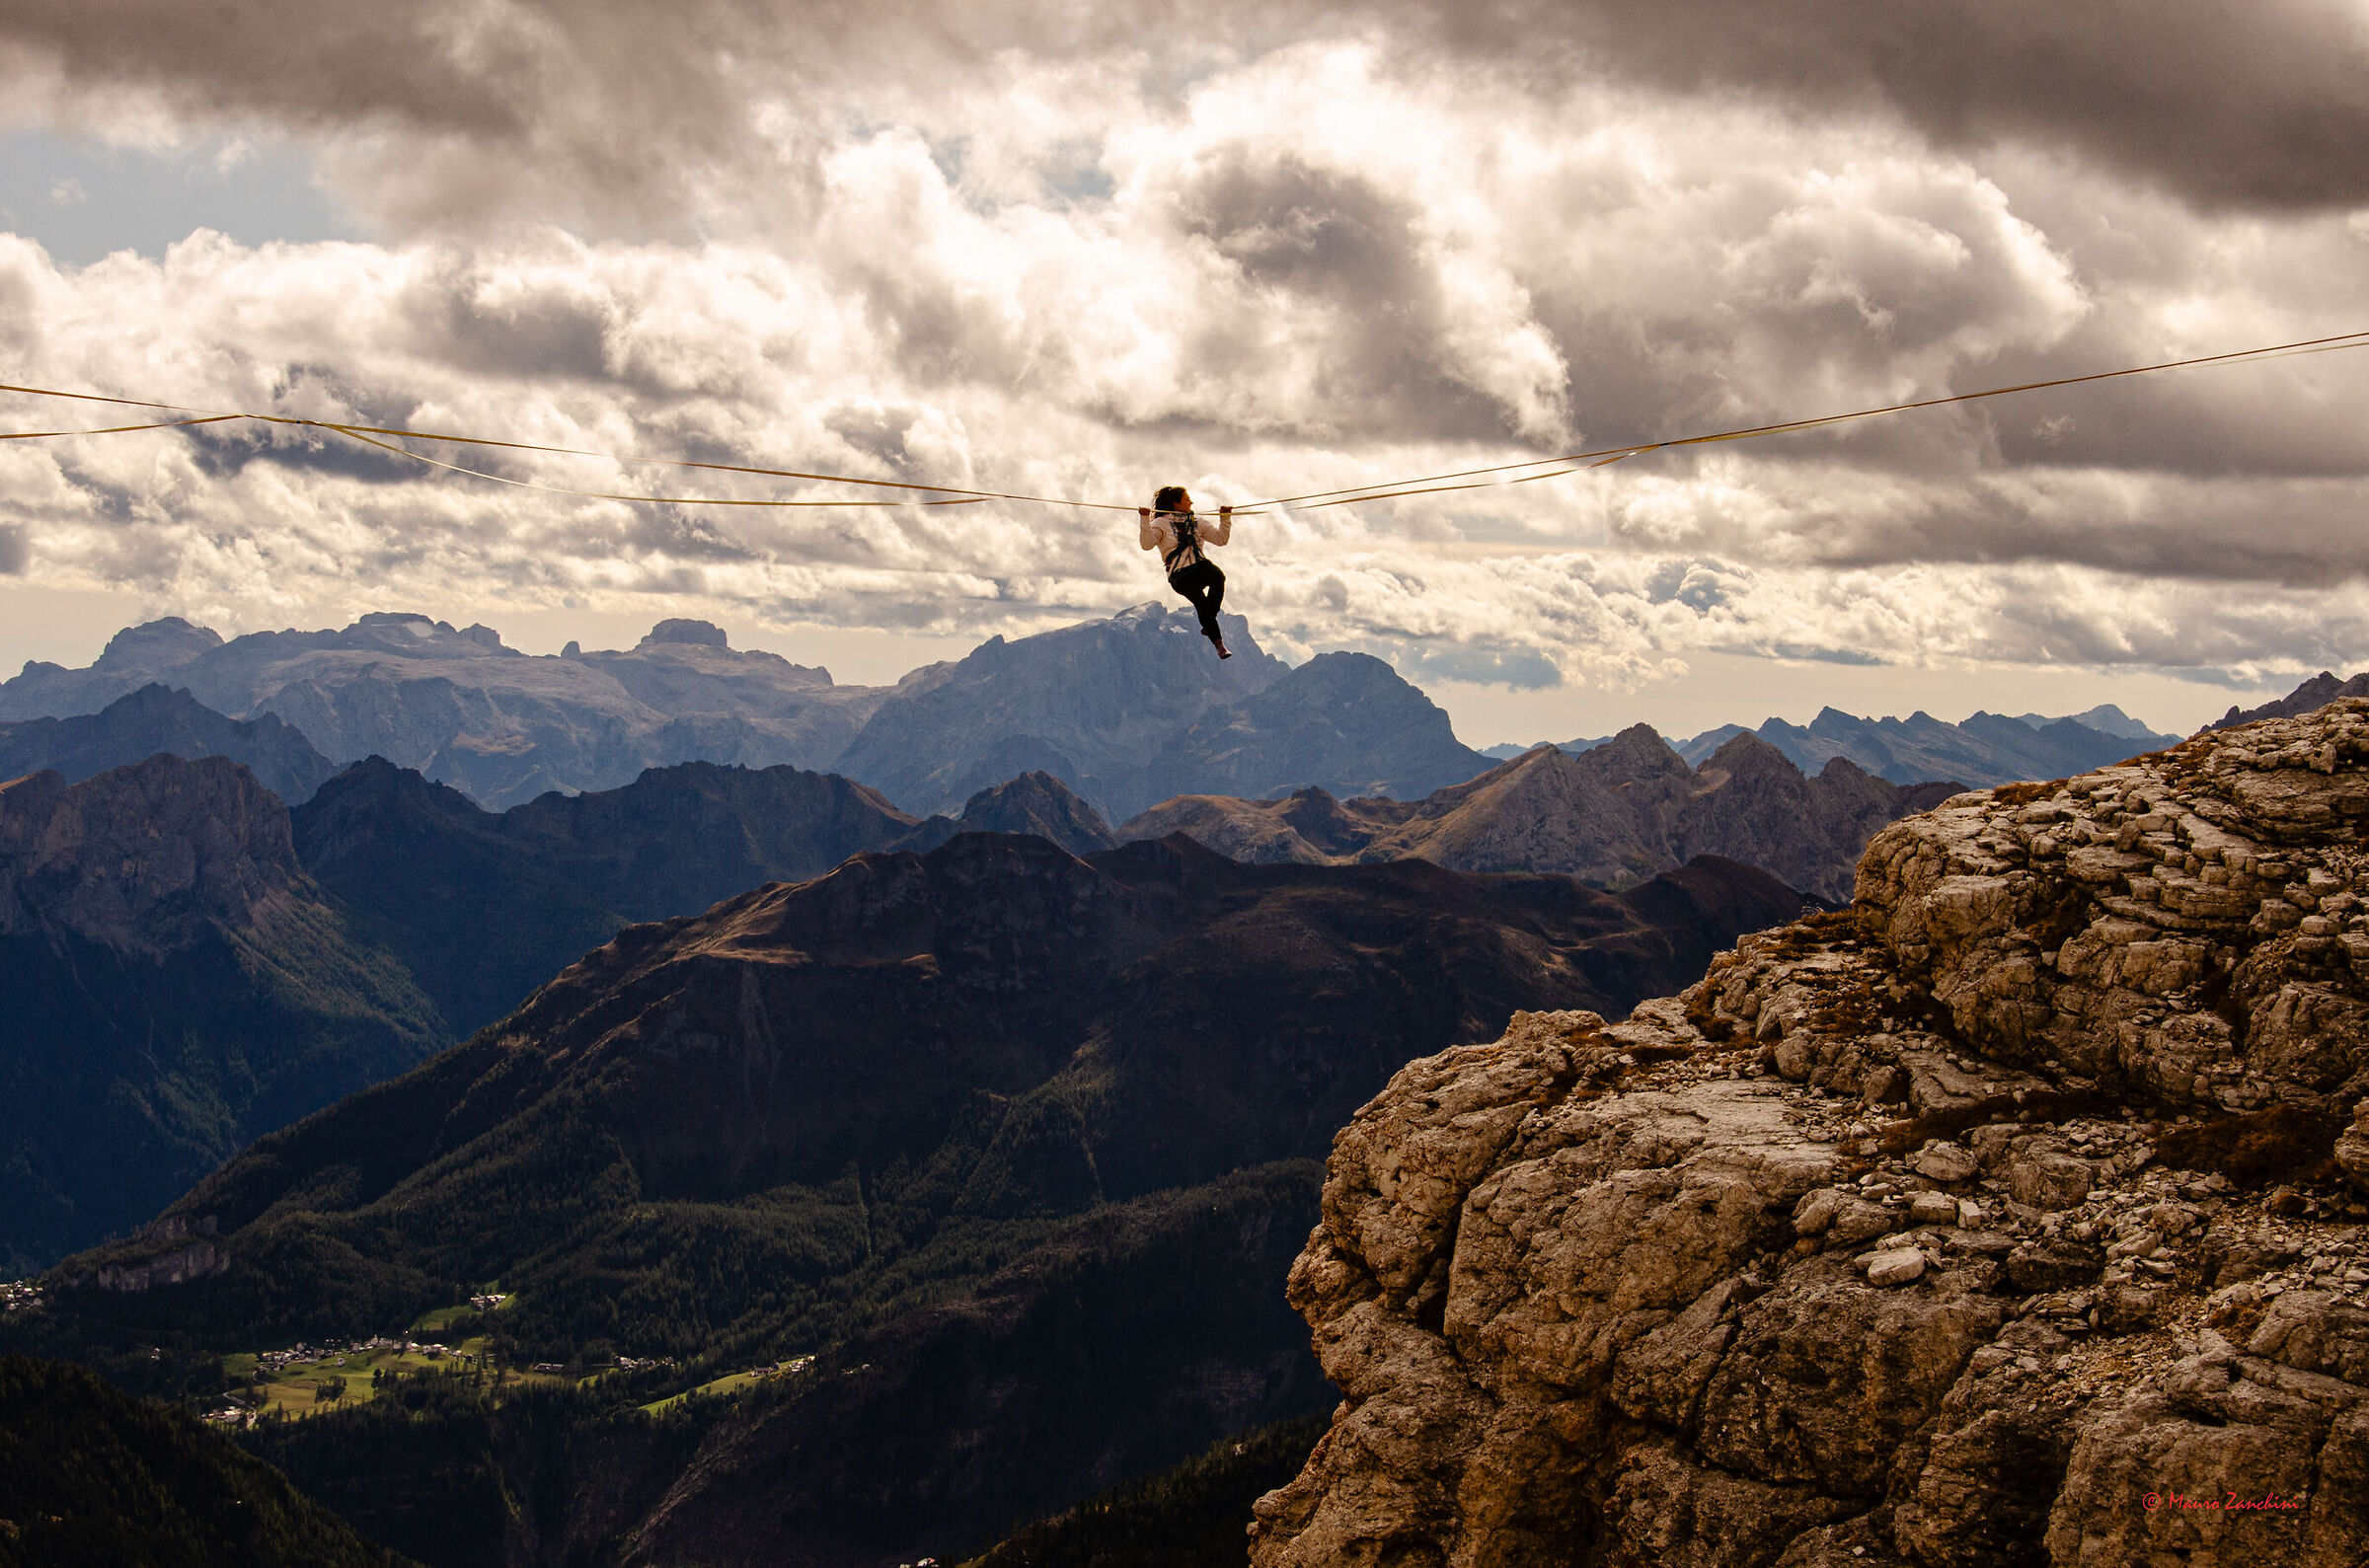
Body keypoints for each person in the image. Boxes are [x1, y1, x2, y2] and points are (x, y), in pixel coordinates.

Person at [1139, 485, 1233, 657]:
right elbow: (1146, 545)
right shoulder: (1160, 523)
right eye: (1187, 499)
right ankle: (1218, 643)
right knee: (1201, 602)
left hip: (1198, 566)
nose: (1191, 502)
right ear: (1176, 504)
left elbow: (1221, 539)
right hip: (1180, 573)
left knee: (1218, 577)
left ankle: (1210, 623)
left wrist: (1225, 518)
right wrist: (1145, 520)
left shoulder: (1197, 522)